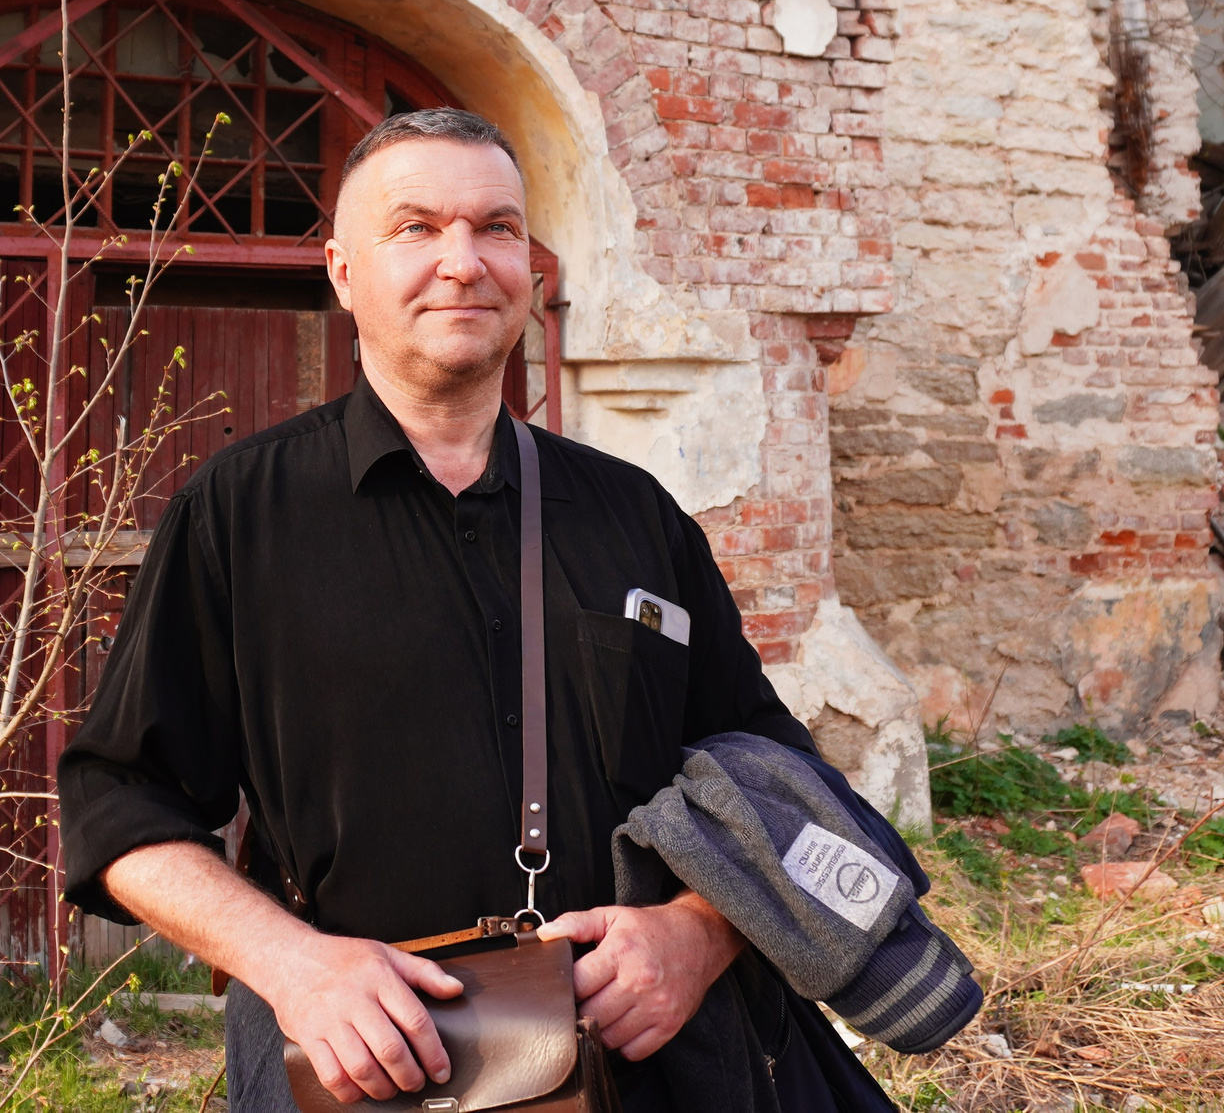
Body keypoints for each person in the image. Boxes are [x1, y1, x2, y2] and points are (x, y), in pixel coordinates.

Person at [57, 108, 856, 1113]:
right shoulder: (237, 511)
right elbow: (117, 802)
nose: (464, 262)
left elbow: (771, 765)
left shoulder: (635, 513)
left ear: (533, 265)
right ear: (345, 274)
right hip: (363, 1066)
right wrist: (297, 968)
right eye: (416, 229)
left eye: (498, 228)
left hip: (648, 1060)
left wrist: (700, 930)